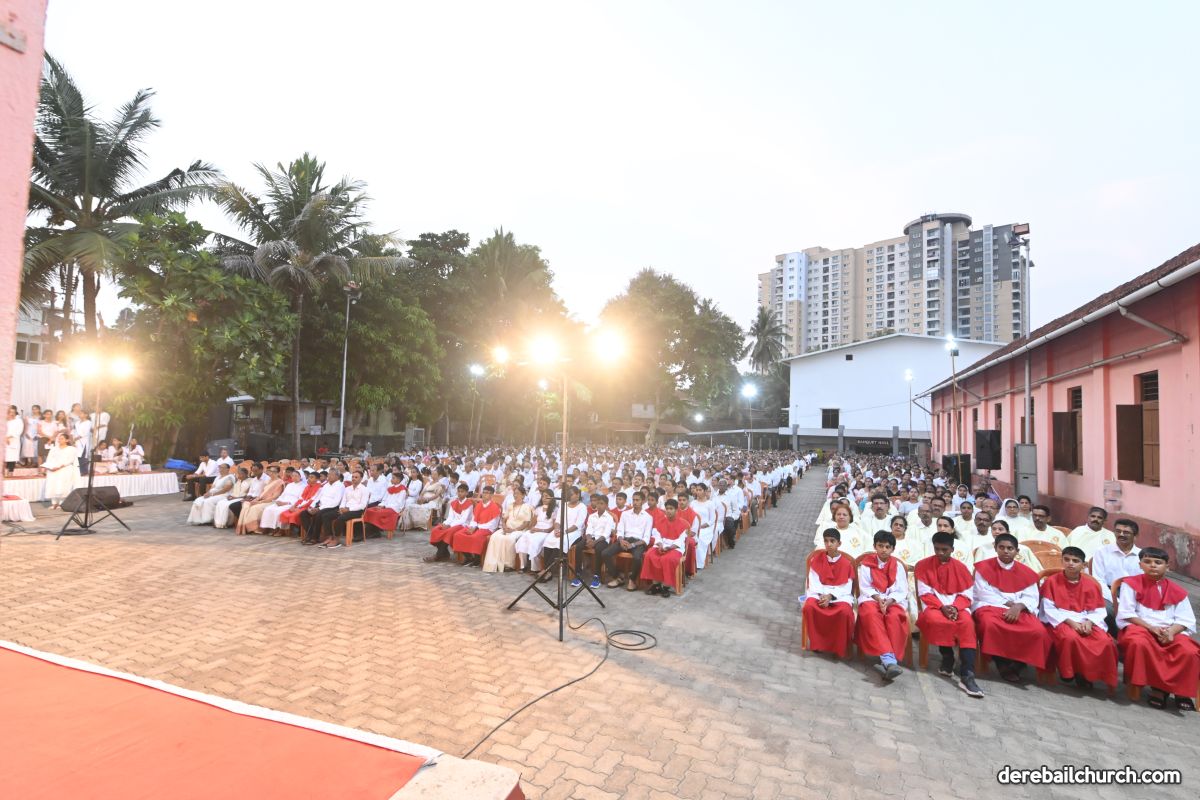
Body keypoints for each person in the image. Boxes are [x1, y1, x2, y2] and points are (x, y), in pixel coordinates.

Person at [1116, 547, 1200, 711]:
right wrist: (1151, 628)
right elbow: (1127, 613)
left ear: (1167, 566)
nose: (1152, 565)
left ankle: (1179, 691)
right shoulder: (1131, 584)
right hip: (1140, 627)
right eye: (1147, 562)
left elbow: (1186, 619)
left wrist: (1171, 632)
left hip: (1171, 631)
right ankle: (1158, 690)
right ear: (1140, 565)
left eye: (1158, 562)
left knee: (1189, 651)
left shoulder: (1178, 591)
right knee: (1139, 644)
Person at [971, 533, 1052, 683]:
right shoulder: (983, 568)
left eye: (1010, 548)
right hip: (990, 605)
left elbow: (1031, 596)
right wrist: (1009, 604)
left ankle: (1018, 664)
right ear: (995, 548)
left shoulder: (1027, 572)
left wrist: (1019, 607)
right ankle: (1001, 662)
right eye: (1001, 547)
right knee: (990, 625)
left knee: (1038, 631)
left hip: (1020, 608)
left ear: (1017, 551)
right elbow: (982, 592)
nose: (1006, 551)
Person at [1039, 546, 1118, 690]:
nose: (1070, 563)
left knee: (1105, 641)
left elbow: (1099, 609)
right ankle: (1070, 672)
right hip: (1061, 620)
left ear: (1083, 565)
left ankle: (1087, 674)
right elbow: (1049, 609)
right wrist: (1072, 623)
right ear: (1062, 561)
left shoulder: (1091, 585)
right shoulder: (1051, 581)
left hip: (1087, 619)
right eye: (1067, 559)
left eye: (1075, 561)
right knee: (1070, 638)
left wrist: (1089, 622)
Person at [916, 531, 984, 698]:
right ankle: (947, 657)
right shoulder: (923, 565)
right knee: (935, 620)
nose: (940, 553)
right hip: (934, 605)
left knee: (967, 624)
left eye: (944, 550)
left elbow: (967, 593)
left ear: (952, 549)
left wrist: (955, 607)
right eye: (937, 549)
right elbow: (924, 592)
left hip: (958, 606)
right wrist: (942, 607)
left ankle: (967, 674)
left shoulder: (961, 568)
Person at [856, 530, 909, 682]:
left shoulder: (898, 566)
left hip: (893, 600)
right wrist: (879, 598)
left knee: (894, 617)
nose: (884, 550)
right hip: (872, 598)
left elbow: (902, 589)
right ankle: (889, 660)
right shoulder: (866, 564)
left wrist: (889, 600)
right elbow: (865, 587)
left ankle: (888, 659)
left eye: (887, 547)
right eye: (880, 546)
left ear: (893, 549)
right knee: (871, 615)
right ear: (875, 546)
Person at [801, 529, 855, 658]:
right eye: (826, 541)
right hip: (819, 593)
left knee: (845, 612)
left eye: (832, 541)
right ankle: (817, 644)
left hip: (839, 596)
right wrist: (822, 596)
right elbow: (813, 581)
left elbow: (846, 587)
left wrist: (830, 597)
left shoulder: (846, 564)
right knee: (809, 607)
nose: (829, 544)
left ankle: (838, 646)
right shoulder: (816, 559)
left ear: (839, 543)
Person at [1091, 518, 1143, 631]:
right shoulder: (1102, 551)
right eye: (1118, 531)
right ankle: (1116, 637)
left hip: (1135, 594)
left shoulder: (1142, 555)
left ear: (1135, 535)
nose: (1121, 534)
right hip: (1108, 592)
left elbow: (1145, 582)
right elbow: (1098, 580)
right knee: (1106, 610)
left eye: (1126, 532)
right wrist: (1115, 600)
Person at [602, 490, 652, 590]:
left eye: (637, 500)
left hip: (638, 543)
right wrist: (621, 540)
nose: (635, 502)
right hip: (624, 540)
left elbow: (646, 538)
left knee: (637, 557)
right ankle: (617, 577)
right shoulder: (625, 514)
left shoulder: (648, 517)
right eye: (633, 500)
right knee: (605, 553)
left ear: (643, 501)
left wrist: (633, 545)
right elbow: (620, 531)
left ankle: (632, 580)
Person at [640, 498, 688, 597]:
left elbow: (681, 540)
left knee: (667, 559)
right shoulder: (660, 521)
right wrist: (660, 544)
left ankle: (665, 586)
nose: (668, 511)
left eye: (671, 509)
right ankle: (656, 584)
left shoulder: (683, 524)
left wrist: (670, 547)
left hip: (675, 547)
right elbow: (657, 535)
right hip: (661, 544)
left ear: (676, 510)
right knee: (650, 555)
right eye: (667, 508)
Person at [482, 485, 532, 573]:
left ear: (523, 495)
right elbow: (504, 518)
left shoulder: (527, 507)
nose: (515, 495)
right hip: (507, 528)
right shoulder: (510, 505)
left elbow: (526, 523)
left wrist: (514, 530)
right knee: (495, 537)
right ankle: (494, 562)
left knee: (509, 539)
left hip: (519, 530)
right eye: (514, 493)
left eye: (518, 493)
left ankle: (509, 565)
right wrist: (504, 527)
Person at [572, 494, 616, 589]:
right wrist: (588, 539)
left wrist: (594, 543)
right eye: (598, 503)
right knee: (578, 547)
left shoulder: (609, 518)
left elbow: (606, 534)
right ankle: (578, 574)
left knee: (599, 549)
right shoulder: (592, 516)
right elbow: (589, 530)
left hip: (602, 539)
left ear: (606, 505)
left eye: (602, 503)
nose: (599, 505)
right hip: (591, 538)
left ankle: (597, 576)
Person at [453, 485, 504, 567]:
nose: (484, 494)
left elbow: (493, 524)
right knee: (458, 535)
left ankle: (477, 559)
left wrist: (477, 527)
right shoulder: (479, 505)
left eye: (487, 493)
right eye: (484, 492)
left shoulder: (494, 507)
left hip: (487, 529)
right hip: (476, 527)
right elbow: (474, 518)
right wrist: (473, 527)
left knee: (475, 537)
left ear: (491, 495)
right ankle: (469, 557)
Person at [426, 483, 474, 562]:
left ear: (466, 493)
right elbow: (450, 517)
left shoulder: (469, 504)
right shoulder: (454, 503)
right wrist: (445, 523)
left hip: (463, 525)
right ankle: (445, 553)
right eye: (458, 491)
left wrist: (450, 525)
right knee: (436, 530)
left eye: (462, 491)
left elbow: (463, 520)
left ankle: (437, 555)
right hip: (453, 524)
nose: (460, 493)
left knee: (449, 532)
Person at [322, 469, 369, 548]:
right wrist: (341, 508)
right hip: (344, 509)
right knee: (326, 516)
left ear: (361, 479)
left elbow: (362, 505)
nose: (353, 478)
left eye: (356, 477)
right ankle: (329, 537)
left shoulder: (364, 489)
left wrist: (349, 509)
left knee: (340, 518)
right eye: (353, 477)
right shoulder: (348, 489)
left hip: (357, 511)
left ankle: (336, 539)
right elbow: (343, 501)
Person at [262, 470, 318, 535]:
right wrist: (278, 501)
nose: (294, 477)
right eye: (293, 476)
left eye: (296, 476)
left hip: (291, 503)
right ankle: (268, 528)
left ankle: (280, 529)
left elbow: (300, 499)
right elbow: (283, 495)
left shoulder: (303, 486)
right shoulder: (289, 485)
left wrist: (286, 503)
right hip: (282, 501)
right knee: (268, 509)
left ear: (301, 477)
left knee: (278, 511)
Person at [515, 491, 557, 573]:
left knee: (534, 542)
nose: (544, 498)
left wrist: (540, 530)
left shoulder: (555, 510)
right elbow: (533, 523)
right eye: (543, 496)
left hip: (546, 532)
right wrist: (531, 528)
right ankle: (523, 566)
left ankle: (535, 568)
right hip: (536, 530)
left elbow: (553, 527)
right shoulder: (538, 509)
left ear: (552, 498)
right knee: (523, 539)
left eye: (547, 496)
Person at [236, 466, 286, 534]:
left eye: (274, 472)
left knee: (254, 508)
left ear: (278, 473)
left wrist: (260, 502)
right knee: (246, 505)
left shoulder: (279, 482)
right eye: (270, 471)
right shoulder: (269, 481)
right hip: (262, 500)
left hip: (271, 502)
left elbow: (275, 497)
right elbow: (262, 493)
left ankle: (256, 529)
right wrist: (256, 500)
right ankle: (246, 527)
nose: (271, 473)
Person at [302, 470, 345, 545]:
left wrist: (319, 508)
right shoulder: (326, 485)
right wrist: (312, 507)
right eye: (328, 475)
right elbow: (318, 497)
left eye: (331, 475)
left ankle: (315, 537)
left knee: (319, 514)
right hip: (320, 506)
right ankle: (310, 535)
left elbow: (336, 502)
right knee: (303, 514)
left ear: (337, 477)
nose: (329, 476)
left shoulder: (340, 486)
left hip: (332, 507)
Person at [360, 472, 408, 540]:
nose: (391, 479)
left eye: (393, 478)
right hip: (386, 507)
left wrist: (386, 506)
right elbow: (384, 499)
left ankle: (375, 532)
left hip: (394, 508)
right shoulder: (390, 488)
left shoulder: (402, 490)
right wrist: (381, 505)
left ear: (398, 479)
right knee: (369, 510)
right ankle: (372, 531)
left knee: (377, 513)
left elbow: (399, 503)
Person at [41, 432, 80, 510]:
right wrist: (49, 467)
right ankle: (54, 503)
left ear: (67, 440)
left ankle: (61, 504)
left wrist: (59, 466)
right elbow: (49, 459)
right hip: (53, 469)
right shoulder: (53, 449)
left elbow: (70, 460)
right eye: (59, 438)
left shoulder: (71, 449)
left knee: (63, 486)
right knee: (53, 485)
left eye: (62, 438)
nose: (59, 440)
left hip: (64, 469)